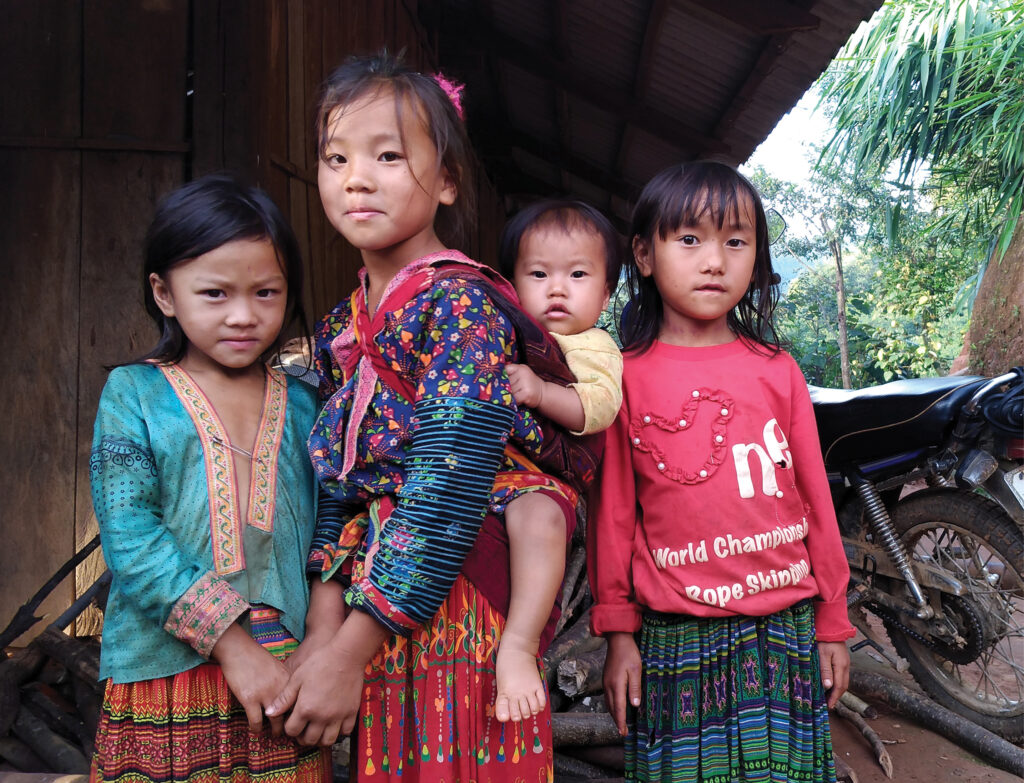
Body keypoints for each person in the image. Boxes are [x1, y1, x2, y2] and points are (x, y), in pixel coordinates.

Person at [266, 54, 594, 782]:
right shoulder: (342, 323)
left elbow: (448, 484)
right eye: (336, 157)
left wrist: (348, 647)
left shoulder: (462, 306)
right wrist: (324, 631)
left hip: (461, 591)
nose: (356, 177)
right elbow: (337, 477)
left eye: (388, 155)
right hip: (381, 600)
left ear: (446, 181)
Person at [588, 160, 855, 782]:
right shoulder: (624, 377)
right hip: (674, 633)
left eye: (736, 241)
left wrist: (833, 621)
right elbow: (614, 515)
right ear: (644, 256)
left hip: (784, 631)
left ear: (756, 258)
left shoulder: (778, 369)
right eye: (689, 240)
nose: (715, 261)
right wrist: (618, 630)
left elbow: (813, 497)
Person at [88, 173, 331, 783]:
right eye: (215, 294)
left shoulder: (308, 404)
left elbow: (335, 527)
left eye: (267, 293)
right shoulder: (135, 394)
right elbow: (130, 539)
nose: (244, 316)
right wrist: (232, 645)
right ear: (164, 293)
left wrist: (317, 652)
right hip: (163, 672)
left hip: (284, 679)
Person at [494, 200, 623, 721]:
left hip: (542, 480)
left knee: (540, 519)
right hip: (486, 471)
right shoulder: (503, 331)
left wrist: (541, 391)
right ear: (510, 285)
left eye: (577, 274)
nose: (556, 288)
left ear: (606, 293)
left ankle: (519, 646)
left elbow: (598, 407)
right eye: (539, 273)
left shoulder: (592, 345)